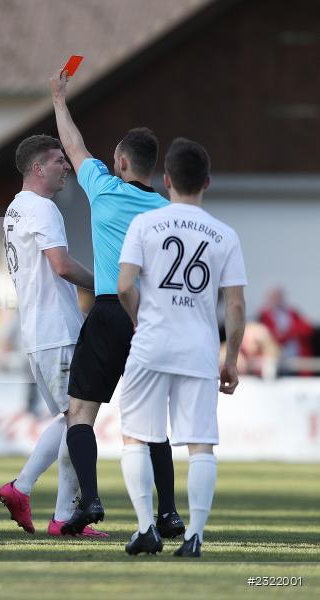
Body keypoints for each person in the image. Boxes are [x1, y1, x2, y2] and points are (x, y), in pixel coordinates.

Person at [51, 69, 182, 536]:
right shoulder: (167, 211)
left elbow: (73, 147)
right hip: (151, 317)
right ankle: (168, 511)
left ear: (121, 161)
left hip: (108, 311)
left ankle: (90, 502)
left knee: (81, 413)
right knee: (152, 420)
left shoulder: (104, 190)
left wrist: (59, 100)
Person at [117, 138, 246, 557]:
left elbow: (123, 286)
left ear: (166, 179)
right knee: (200, 444)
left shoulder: (145, 224)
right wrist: (232, 360)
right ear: (206, 182)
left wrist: (139, 320)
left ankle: (144, 529)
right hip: (199, 348)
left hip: (152, 343)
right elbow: (236, 303)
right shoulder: (225, 235)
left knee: (136, 436)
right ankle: (195, 536)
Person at [0, 135, 106, 538]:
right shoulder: (42, 208)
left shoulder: (14, 208)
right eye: (60, 161)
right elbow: (60, 265)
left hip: (38, 331)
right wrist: (104, 285)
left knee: (71, 418)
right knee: (78, 420)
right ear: (38, 168)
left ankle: (61, 516)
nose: (67, 167)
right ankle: (24, 489)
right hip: (57, 328)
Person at [258, 287, 313, 375]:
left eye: (279, 296)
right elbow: (271, 336)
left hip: (296, 358)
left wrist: (289, 333)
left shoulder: (292, 312)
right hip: (276, 358)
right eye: (275, 296)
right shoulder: (264, 314)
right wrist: (289, 334)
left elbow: (307, 328)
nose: (278, 299)